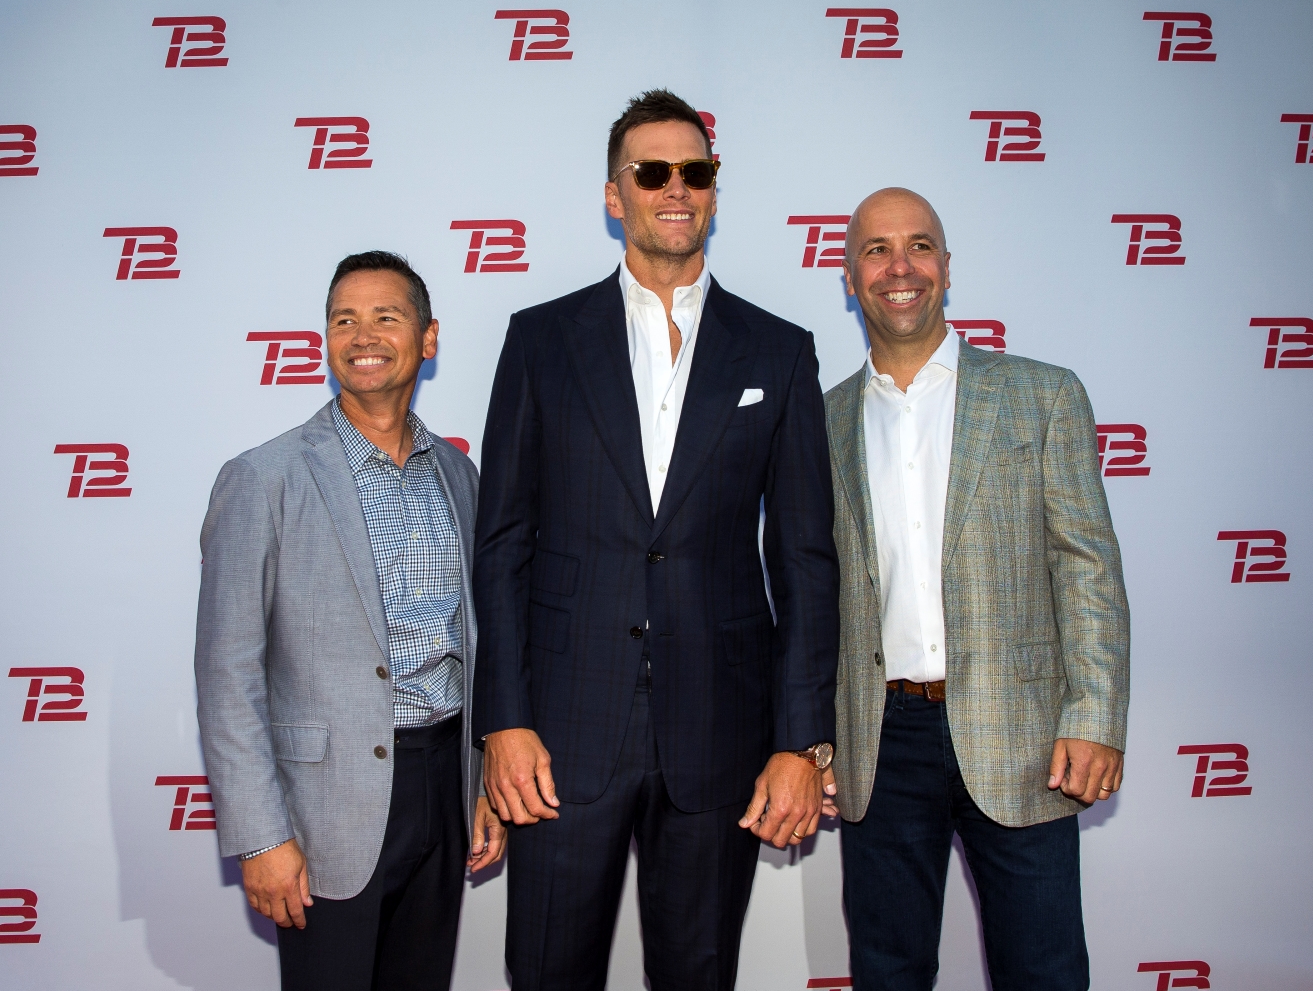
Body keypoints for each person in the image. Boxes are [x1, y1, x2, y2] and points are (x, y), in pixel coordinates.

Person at [472, 89, 840, 991]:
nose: (675, 188)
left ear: (714, 190)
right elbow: (503, 544)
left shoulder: (778, 352)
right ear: (615, 194)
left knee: (700, 975)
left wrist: (801, 741)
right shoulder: (541, 340)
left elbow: (804, 560)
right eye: (652, 172)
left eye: (695, 171)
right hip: (560, 734)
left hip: (720, 730)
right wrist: (503, 722)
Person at [824, 188, 1130, 990]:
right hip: (879, 741)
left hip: (1025, 736)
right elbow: (811, 592)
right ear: (850, 276)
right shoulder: (821, 420)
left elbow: (1088, 568)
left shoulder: (1043, 395)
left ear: (947, 268)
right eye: (877, 250)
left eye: (919, 247)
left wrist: (1094, 716)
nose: (900, 267)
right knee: (888, 972)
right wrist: (815, 738)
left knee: (1045, 971)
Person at [194, 251, 503, 991]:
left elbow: (478, 644)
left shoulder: (460, 477)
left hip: (442, 787)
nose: (363, 334)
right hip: (325, 809)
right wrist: (262, 836)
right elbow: (226, 674)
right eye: (344, 319)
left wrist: (481, 779)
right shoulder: (262, 478)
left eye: (386, 317)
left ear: (428, 339)